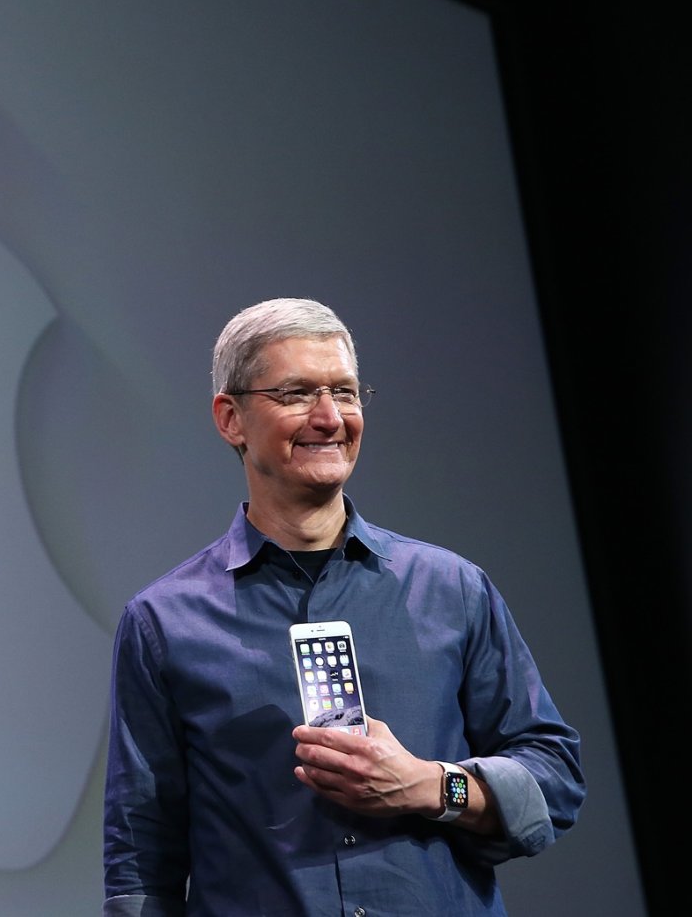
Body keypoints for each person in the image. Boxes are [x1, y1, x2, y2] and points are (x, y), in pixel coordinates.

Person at [102, 298, 585, 916]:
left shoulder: (451, 588)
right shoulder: (165, 622)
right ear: (231, 419)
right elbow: (142, 853)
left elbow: (555, 776)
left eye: (346, 392)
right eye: (297, 393)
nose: (330, 417)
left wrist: (434, 786)